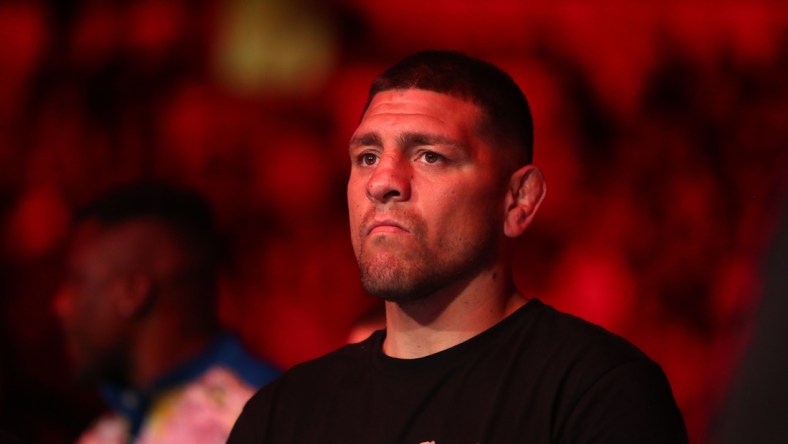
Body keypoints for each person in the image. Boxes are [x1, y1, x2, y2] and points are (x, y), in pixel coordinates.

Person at [228, 50, 688, 443]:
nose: (383, 182)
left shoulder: (597, 392)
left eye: (430, 155)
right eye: (367, 157)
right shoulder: (280, 416)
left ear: (518, 200)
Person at [53, 181, 280, 444]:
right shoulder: (113, 430)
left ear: (132, 293)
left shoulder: (259, 418)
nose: (61, 305)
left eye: (78, 282)